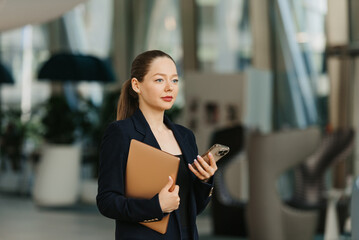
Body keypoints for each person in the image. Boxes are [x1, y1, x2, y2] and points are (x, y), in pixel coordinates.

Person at [96, 50, 217, 240]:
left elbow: (191, 208)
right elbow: (107, 201)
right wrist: (156, 206)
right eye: (159, 80)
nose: (170, 88)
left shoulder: (185, 136)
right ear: (137, 85)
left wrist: (204, 180)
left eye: (175, 80)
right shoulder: (121, 133)